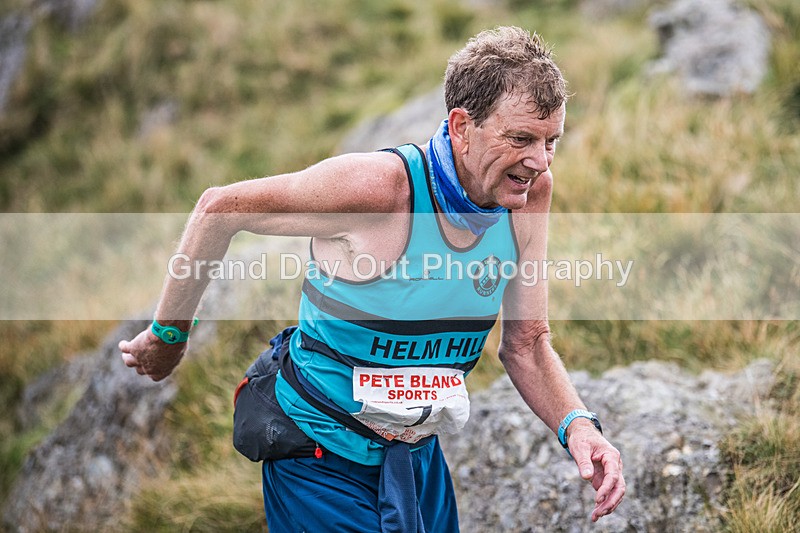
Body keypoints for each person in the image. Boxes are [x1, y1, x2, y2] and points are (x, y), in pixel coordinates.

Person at [119, 26, 625, 532]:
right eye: (521, 139)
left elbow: (528, 343)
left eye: (550, 141)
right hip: (318, 458)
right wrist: (168, 337)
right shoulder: (380, 190)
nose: (539, 161)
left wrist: (578, 426)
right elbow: (218, 209)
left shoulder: (530, 194)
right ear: (460, 127)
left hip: (417, 461)